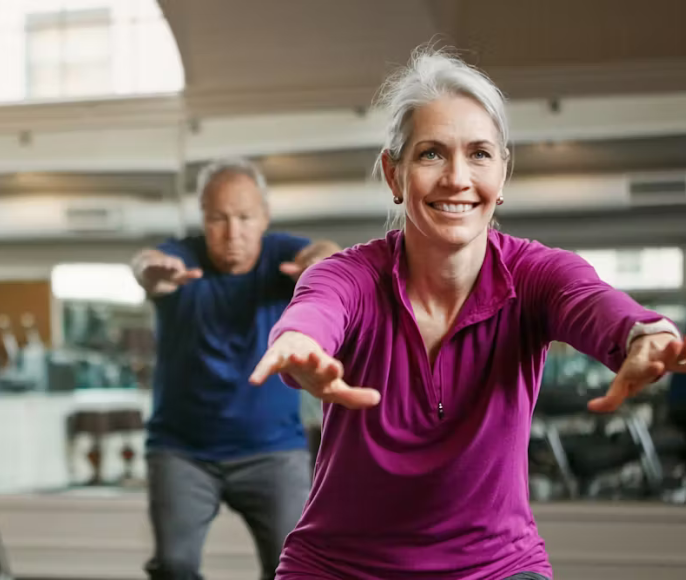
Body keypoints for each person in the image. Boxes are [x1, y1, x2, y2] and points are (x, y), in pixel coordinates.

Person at [250, 48, 686, 580]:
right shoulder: (351, 275)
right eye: (432, 153)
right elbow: (316, 311)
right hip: (342, 568)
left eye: (479, 154)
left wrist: (646, 331)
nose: (457, 178)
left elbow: (593, 301)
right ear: (394, 174)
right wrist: (300, 345)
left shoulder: (535, 275)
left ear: (503, 174)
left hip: (496, 567)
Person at [132, 158, 340, 580]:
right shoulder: (182, 258)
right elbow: (147, 265)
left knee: (296, 569)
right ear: (203, 219)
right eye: (218, 219)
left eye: (245, 217)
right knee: (174, 566)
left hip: (272, 451)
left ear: (264, 216)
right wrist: (151, 272)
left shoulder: (283, 256)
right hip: (182, 452)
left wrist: (321, 261)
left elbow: (326, 253)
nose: (232, 233)